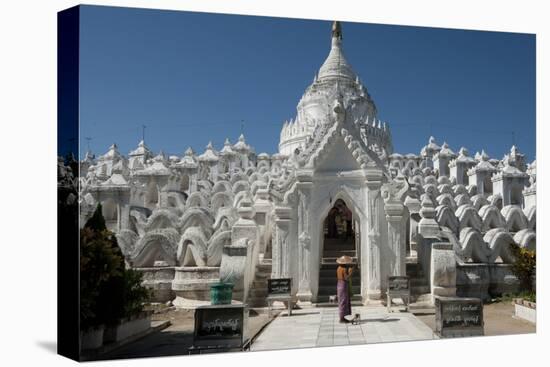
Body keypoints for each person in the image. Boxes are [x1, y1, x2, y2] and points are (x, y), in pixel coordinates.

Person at [336, 255, 353, 323]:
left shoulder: (338, 268)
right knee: (343, 301)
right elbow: (346, 278)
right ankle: (342, 318)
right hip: (343, 284)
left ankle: (342, 317)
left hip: (339, 284)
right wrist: (350, 272)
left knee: (341, 300)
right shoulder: (344, 269)